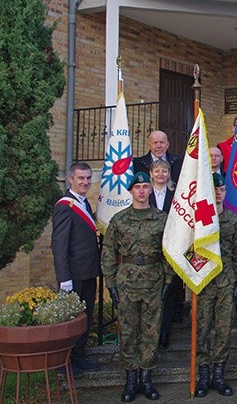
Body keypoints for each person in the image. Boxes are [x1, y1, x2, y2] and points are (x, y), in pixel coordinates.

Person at [101, 172, 172, 401]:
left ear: (151, 189)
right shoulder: (119, 220)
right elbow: (109, 253)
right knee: (130, 332)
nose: (141, 191)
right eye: (137, 187)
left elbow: (168, 252)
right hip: (127, 284)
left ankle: (147, 378)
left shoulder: (161, 219)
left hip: (153, 282)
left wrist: (168, 280)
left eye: (145, 186)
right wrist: (110, 283)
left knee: (151, 332)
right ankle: (131, 379)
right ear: (131, 191)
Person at [195, 174, 237, 397]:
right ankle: (203, 375)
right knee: (203, 329)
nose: (218, 193)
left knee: (224, 329)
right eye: (214, 189)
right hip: (204, 281)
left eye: (222, 189)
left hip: (226, 281)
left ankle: (219, 374)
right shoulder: (198, 218)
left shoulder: (233, 220)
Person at [51, 162, 101, 376]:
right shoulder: (65, 206)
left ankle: (79, 357)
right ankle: (65, 363)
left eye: (88, 178)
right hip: (73, 275)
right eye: (81, 178)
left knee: (85, 318)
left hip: (89, 272)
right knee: (71, 321)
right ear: (70, 179)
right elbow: (59, 246)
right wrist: (64, 279)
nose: (86, 182)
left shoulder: (83, 203)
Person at [149, 160, 180, 349]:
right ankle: (152, 332)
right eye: (157, 171)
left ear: (169, 174)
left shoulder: (176, 193)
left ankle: (165, 333)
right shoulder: (144, 191)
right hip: (150, 249)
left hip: (171, 248)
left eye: (165, 170)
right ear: (151, 173)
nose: (161, 174)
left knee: (169, 292)